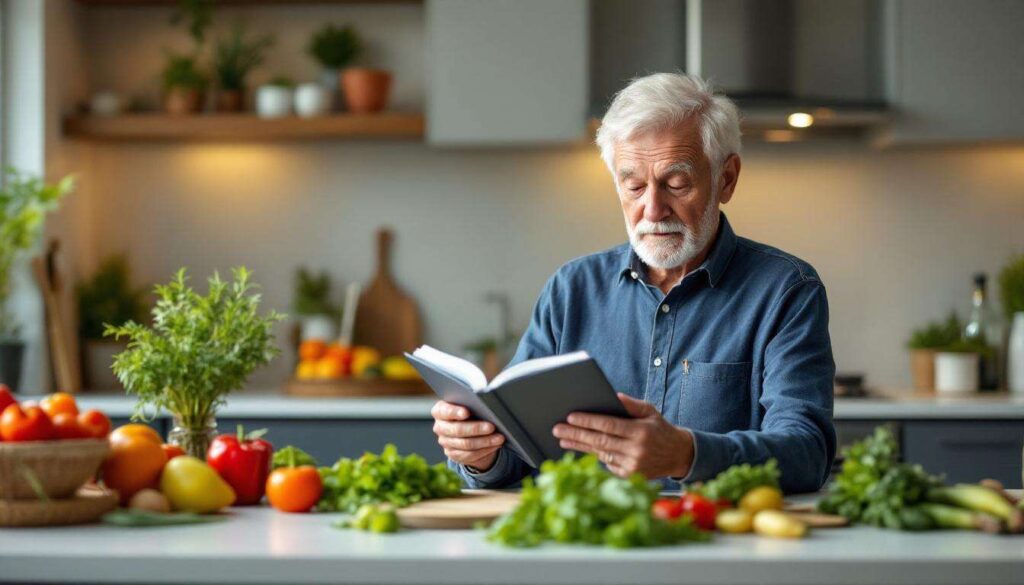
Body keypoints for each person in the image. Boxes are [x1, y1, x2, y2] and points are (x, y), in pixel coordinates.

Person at [430, 73, 836, 493]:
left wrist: (686, 454)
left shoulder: (786, 290)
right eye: (634, 185)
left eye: (676, 183)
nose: (653, 208)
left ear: (726, 179)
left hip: (716, 542)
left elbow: (807, 453)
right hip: (583, 544)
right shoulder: (571, 289)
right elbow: (517, 448)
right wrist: (482, 454)